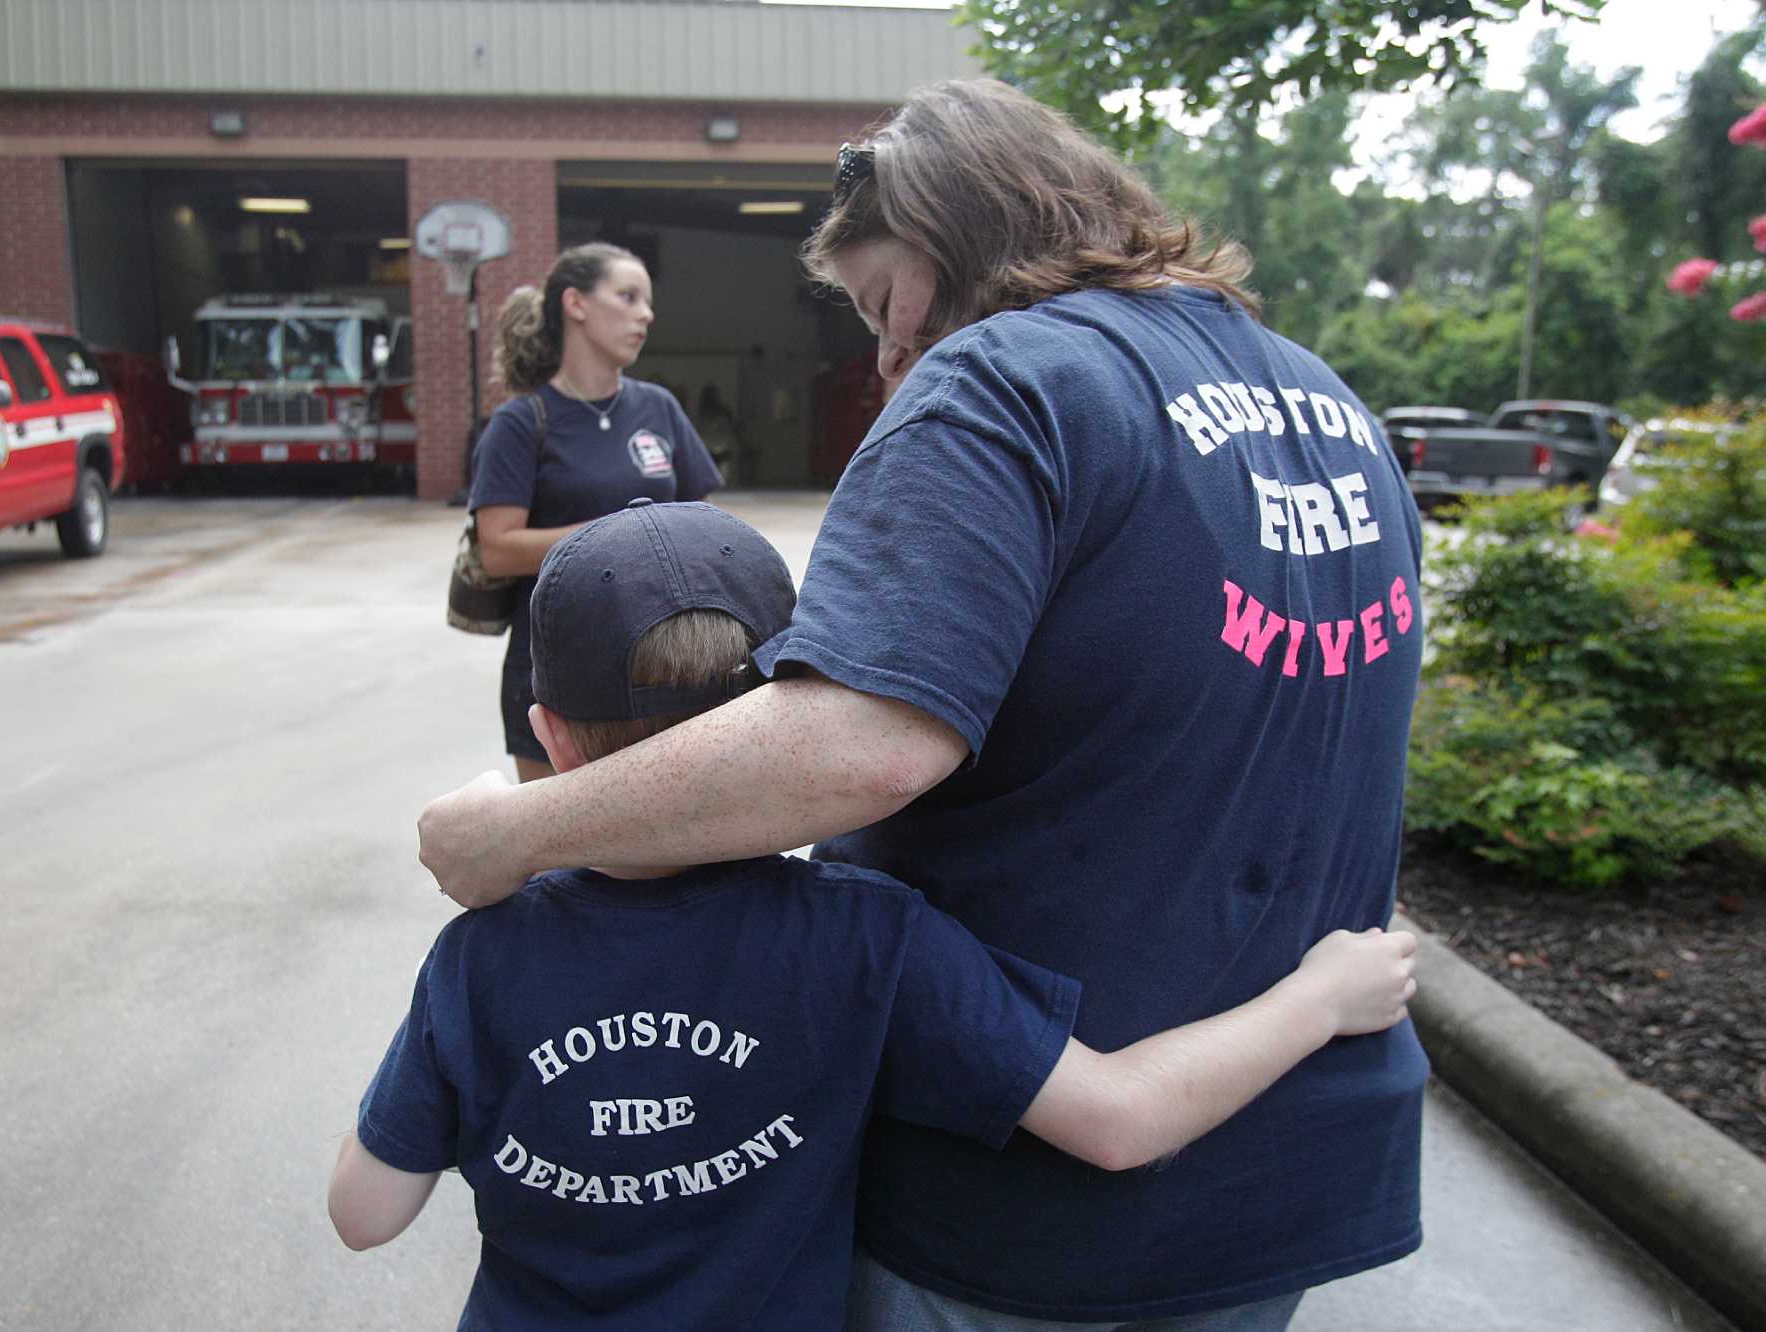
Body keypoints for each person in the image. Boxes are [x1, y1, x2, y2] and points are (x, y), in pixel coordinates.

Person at [418, 78, 1431, 1329]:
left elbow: (857, 745)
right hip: (1279, 1170)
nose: (889, 358)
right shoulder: (1322, 399)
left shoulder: (1005, 382)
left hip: (1012, 1210)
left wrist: (517, 830)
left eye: (883, 302)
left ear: (956, 229)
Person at [335, 500, 1421, 1328]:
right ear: (775, 721)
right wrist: (1318, 999)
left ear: (551, 738)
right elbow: (1119, 1122)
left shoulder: (481, 957)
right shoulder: (863, 936)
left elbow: (364, 1212)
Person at [468, 242, 724, 783]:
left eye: (647, 302)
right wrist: (620, 534)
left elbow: (700, 523)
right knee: (559, 852)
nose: (646, 314)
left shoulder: (659, 408)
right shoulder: (521, 423)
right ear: (575, 304)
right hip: (553, 666)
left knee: (661, 843)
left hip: (664, 665)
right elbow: (496, 548)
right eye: (628, 296)